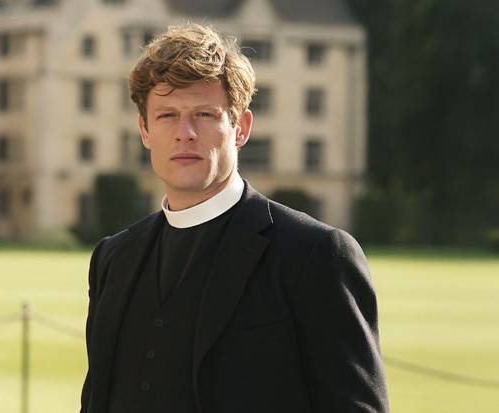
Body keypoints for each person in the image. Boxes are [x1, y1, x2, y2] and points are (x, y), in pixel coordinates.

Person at [80, 23, 389, 413]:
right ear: (144, 130)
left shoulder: (316, 255)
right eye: (167, 116)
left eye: (205, 114)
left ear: (240, 128)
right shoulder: (113, 259)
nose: (185, 132)